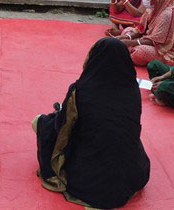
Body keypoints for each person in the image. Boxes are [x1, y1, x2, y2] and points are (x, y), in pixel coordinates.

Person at [34, 38, 150, 208]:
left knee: (43, 124)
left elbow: (62, 129)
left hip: (89, 181)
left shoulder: (81, 90)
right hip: (132, 176)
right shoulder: (132, 90)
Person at [118, 0, 174, 66]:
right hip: (148, 40)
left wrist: (130, 42)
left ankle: (132, 53)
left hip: (165, 50)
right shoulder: (153, 8)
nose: (143, 1)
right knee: (127, 31)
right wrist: (126, 37)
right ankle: (129, 51)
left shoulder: (167, 14)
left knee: (140, 51)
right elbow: (141, 29)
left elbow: (157, 42)